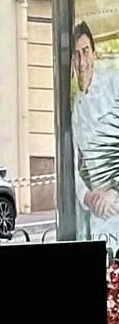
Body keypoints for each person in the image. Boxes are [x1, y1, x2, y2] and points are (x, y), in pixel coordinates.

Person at [73, 22, 119, 247]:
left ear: (94, 53)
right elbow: (71, 167)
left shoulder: (114, 83)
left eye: (85, 52)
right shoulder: (74, 109)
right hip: (100, 214)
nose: (82, 62)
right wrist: (88, 197)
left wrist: (116, 192)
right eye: (76, 55)